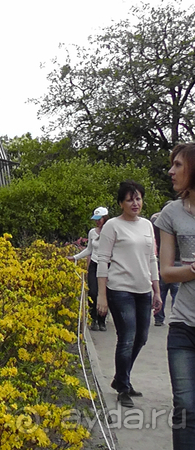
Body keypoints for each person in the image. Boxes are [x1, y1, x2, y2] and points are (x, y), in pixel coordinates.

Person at [96, 180, 163, 409]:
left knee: (141, 337)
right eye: (129, 199)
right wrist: (101, 296)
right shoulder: (112, 226)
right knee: (127, 337)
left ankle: (121, 377)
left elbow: (152, 258)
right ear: (121, 203)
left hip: (143, 289)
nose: (135, 203)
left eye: (138, 198)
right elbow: (102, 260)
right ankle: (123, 387)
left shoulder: (147, 225)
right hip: (120, 289)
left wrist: (157, 290)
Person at [156, 142, 195, 448]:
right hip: (183, 325)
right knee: (184, 406)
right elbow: (167, 271)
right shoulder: (171, 213)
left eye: (178, 165)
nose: (171, 171)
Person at [68, 206, 109, 331]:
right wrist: (75, 257)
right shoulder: (92, 232)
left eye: (99, 219)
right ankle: (94, 319)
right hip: (95, 264)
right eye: (96, 219)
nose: (97, 222)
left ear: (105, 218)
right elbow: (89, 249)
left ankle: (103, 321)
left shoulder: (111, 231)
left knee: (106, 293)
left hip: (108, 265)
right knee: (93, 292)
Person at [151, 202, 180, 326]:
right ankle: (175, 317)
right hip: (177, 260)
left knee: (162, 290)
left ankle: (159, 318)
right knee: (175, 292)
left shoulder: (157, 224)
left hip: (162, 260)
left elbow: (153, 218)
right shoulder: (178, 223)